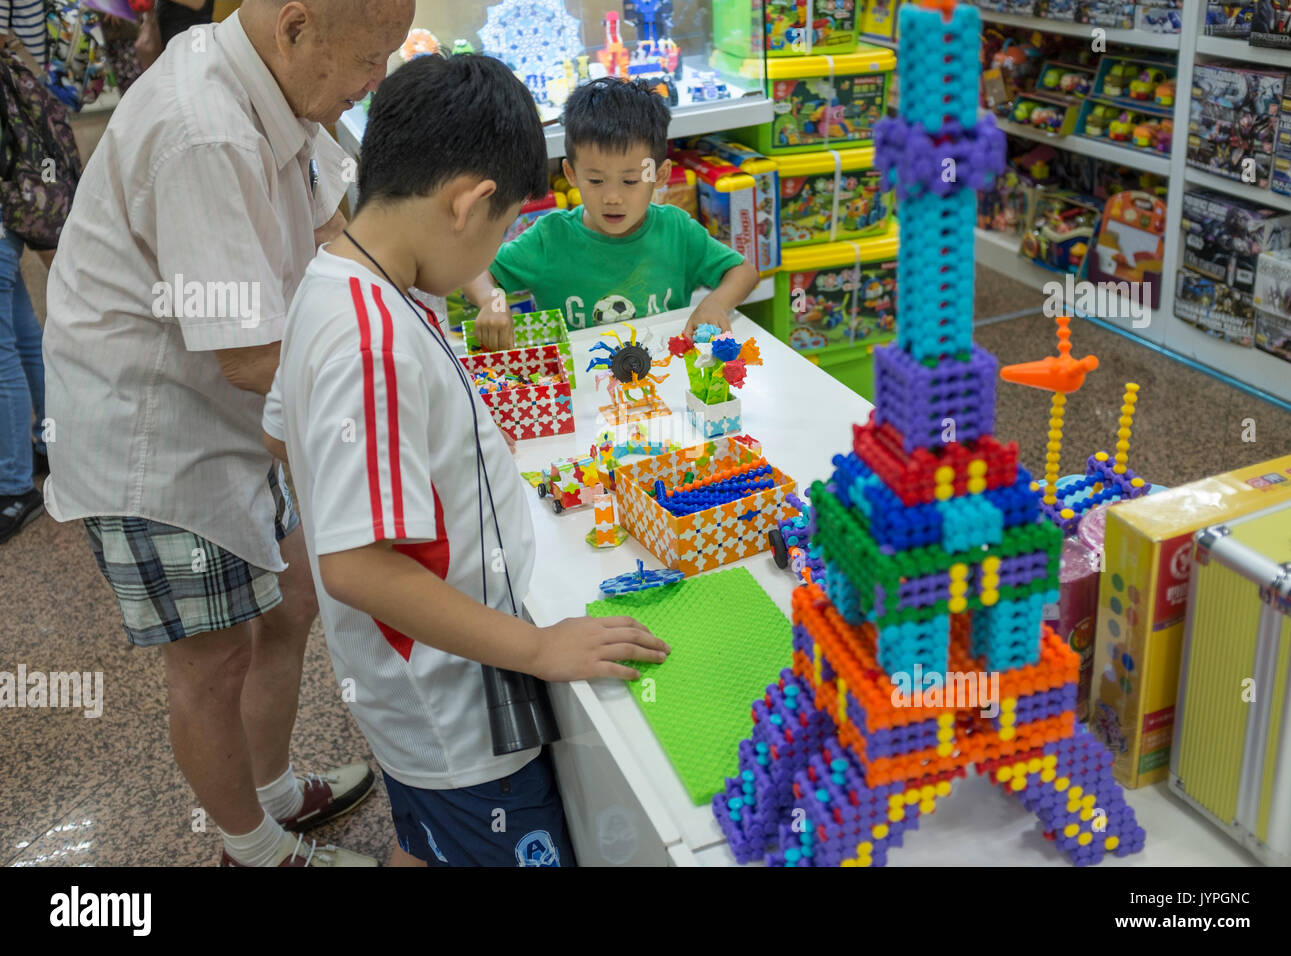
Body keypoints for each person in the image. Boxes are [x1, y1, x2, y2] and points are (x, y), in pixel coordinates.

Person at [266, 53, 670, 867]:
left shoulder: (345, 280)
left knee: (430, 839)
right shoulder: (372, 338)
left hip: (413, 684)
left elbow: (286, 431)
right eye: (505, 222)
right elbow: (355, 567)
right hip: (460, 708)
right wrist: (537, 649)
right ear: (470, 204)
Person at [40, 0, 414, 867]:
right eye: (368, 59)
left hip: (233, 408)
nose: (375, 82)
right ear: (295, 28)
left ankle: (276, 790)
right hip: (155, 438)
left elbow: (331, 236)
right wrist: (374, 438)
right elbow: (251, 356)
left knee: (289, 601)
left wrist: (409, 323)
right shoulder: (203, 131)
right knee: (212, 658)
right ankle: (250, 850)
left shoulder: (285, 89)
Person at [462, 76, 759, 348]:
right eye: (595, 181)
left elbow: (743, 272)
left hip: (663, 380)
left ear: (660, 175)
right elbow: (476, 270)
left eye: (630, 181)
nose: (613, 198)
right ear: (571, 173)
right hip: (580, 389)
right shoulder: (551, 237)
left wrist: (716, 303)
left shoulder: (676, 230)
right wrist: (493, 301)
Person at [0, 8, 51, 544]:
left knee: (2, 348)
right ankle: (48, 444)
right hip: (11, 199)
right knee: (19, 330)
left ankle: (13, 485)